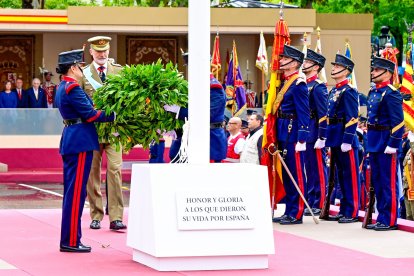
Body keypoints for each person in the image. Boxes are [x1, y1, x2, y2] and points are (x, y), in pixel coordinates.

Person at [54, 49, 115, 253]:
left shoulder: (64, 86)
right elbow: (90, 114)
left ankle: (70, 239)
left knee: (72, 193)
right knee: (76, 194)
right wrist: (115, 115)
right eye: (80, 66)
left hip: (73, 139)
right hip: (80, 141)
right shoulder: (73, 88)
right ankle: (71, 241)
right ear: (72, 68)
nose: (82, 69)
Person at [80, 36, 126, 231]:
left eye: (105, 50)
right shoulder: (83, 74)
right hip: (92, 131)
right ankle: (96, 214)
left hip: (115, 132)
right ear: (91, 52)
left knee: (115, 171)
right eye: (98, 52)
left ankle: (115, 216)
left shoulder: (120, 71)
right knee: (93, 173)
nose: (102, 54)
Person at [270, 45, 310, 225]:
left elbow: (304, 112)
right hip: (283, 130)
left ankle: (297, 212)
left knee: (295, 173)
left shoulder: (299, 83)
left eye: (285, 59)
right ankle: (289, 210)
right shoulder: (286, 82)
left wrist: (302, 137)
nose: (281, 61)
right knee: (286, 173)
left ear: (294, 63)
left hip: (293, 131)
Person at [365, 57, 403, 231]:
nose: (372, 72)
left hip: (386, 142)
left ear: (387, 72)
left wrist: (393, 143)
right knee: (378, 181)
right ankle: (381, 216)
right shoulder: (374, 92)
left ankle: (390, 219)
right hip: (374, 140)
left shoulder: (391, 93)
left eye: (376, 70)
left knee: (388, 182)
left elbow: (398, 122)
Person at [324, 54, 360, 223]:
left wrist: (347, 139)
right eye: (334, 66)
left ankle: (351, 211)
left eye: (337, 67)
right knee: (340, 174)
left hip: (346, 138)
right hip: (335, 135)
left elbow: (352, 116)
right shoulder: (334, 90)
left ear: (346, 71)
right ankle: (344, 208)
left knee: (350, 175)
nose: (333, 69)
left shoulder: (349, 91)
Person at [302, 49, 328, 216]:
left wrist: (322, 136)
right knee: (309, 169)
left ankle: (319, 201)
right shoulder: (304, 84)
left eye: (308, 62)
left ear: (316, 66)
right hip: (306, 132)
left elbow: (323, 113)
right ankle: (311, 199)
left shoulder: (318, 87)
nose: (304, 64)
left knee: (318, 169)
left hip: (315, 131)